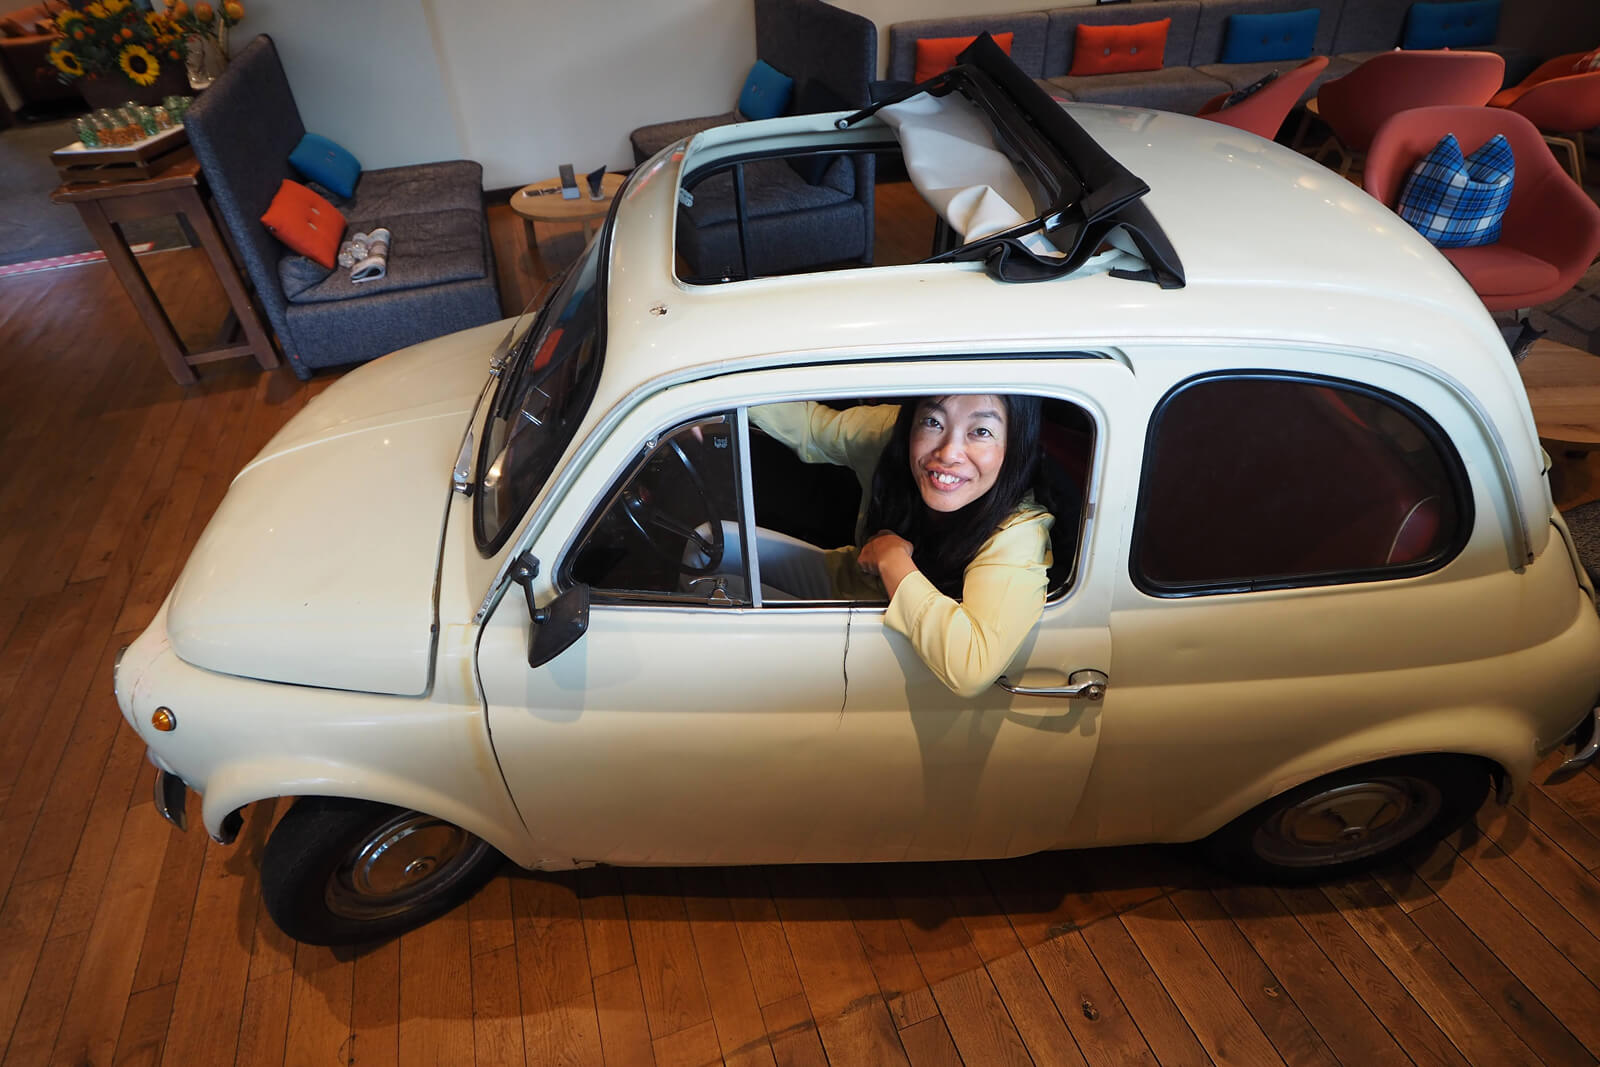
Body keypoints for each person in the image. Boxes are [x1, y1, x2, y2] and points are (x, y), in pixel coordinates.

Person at [749, 394, 1054, 698]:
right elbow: (813, 429)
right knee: (715, 542)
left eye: (981, 432)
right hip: (849, 587)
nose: (948, 452)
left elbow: (970, 667)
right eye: (933, 422)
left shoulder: (1019, 531)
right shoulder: (892, 435)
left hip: (880, 663)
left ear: (1015, 443)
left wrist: (891, 557)